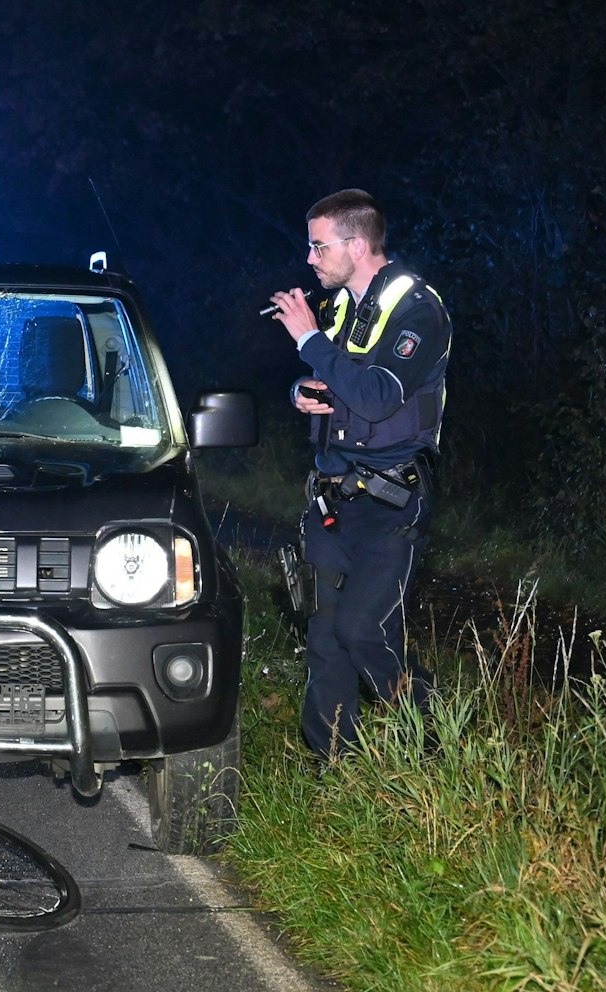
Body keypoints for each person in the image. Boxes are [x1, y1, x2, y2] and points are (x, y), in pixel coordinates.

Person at [268, 190, 451, 765]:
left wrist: (307, 340)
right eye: (310, 245)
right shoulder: (344, 305)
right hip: (331, 497)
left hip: (391, 500)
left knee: (363, 628)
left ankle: (435, 747)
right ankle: (334, 767)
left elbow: (374, 398)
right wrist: (301, 391)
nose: (310, 258)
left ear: (356, 243)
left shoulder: (418, 311)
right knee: (324, 635)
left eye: (319, 245)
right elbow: (335, 384)